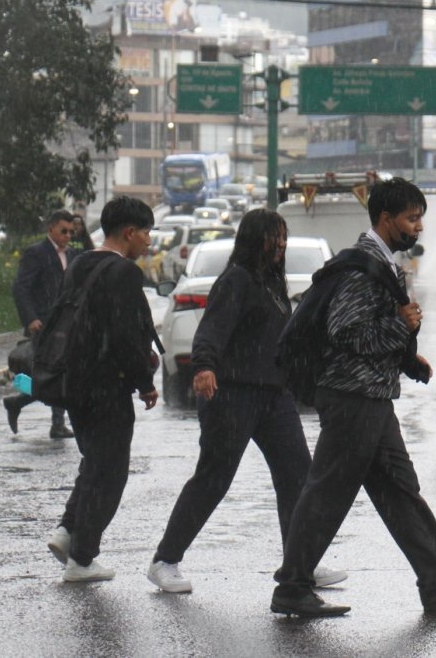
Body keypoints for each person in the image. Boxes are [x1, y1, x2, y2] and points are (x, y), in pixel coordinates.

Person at [270, 177, 436, 617]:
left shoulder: (379, 263)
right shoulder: (363, 268)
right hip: (353, 397)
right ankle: (292, 587)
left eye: (420, 219)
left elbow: (368, 332)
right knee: (327, 493)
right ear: (387, 219)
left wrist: (407, 358)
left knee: (399, 490)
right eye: (412, 219)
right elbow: (347, 332)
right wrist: (401, 325)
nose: (419, 228)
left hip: (370, 395)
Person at [146, 209, 346, 594]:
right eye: (275, 238)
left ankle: (300, 562)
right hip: (231, 394)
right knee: (214, 478)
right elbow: (212, 329)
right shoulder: (235, 280)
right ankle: (164, 560)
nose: (282, 245)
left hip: (273, 395)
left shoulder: (272, 283)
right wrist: (204, 367)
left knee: (298, 476)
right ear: (256, 239)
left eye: (285, 238)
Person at [46, 196, 159, 583]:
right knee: (110, 473)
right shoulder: (124, 273)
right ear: (129, 232)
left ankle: (67, 530)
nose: (148, 240)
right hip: (106, 385)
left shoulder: (80, 263)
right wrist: (145, 382)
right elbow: (127, 337)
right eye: (146, 232)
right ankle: (82, 558)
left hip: (74, 382)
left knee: (94, 461)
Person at [7, 209, 78, 439]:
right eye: (63, 231)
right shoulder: (36, 253)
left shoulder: (75, 255)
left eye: (71, 232)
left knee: (59, 374)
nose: (67, 235)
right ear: (51, 229)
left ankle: (18, 402)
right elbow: (21, 287)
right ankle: (56, 423)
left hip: (67, 324)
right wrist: (30, 319)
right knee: (56, 372)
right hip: (44, 326)